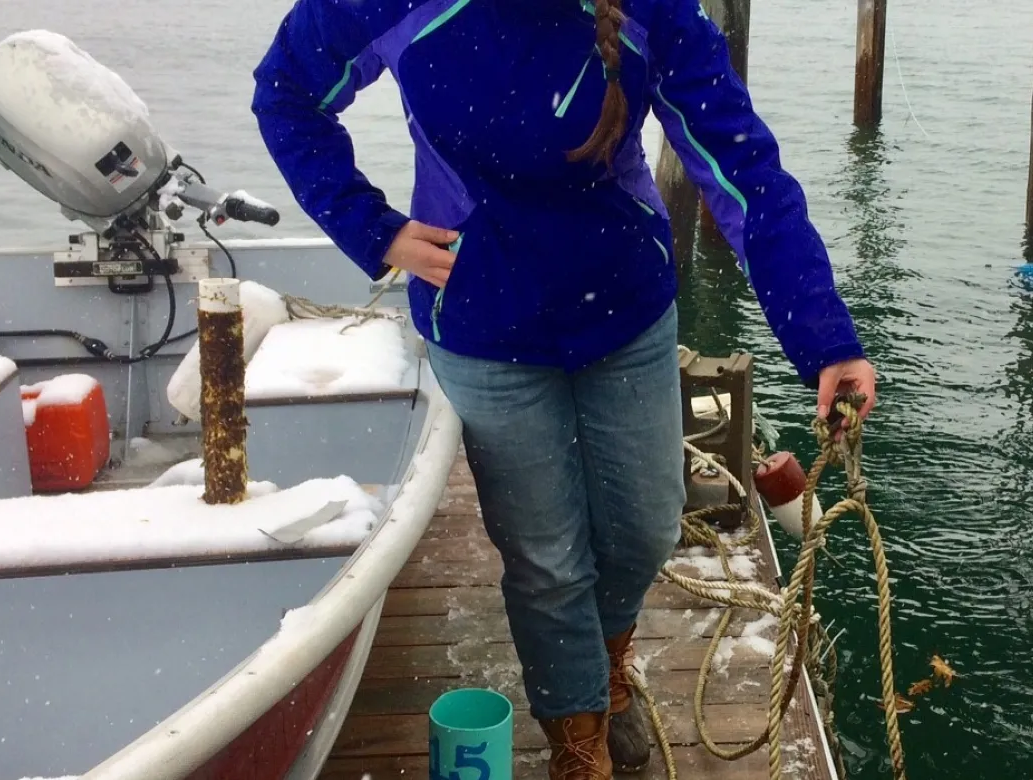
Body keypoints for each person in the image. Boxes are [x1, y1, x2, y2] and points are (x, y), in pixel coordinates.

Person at [252, 0, 876, 776]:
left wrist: (824, 341)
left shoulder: (655, 11)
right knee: (546, 558)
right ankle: (575, 733)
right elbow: (284, 91)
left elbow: (743, 169)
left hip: (626, 310)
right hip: (484, 322)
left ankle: (608, 663)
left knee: (646, 527)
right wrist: (370, 227)